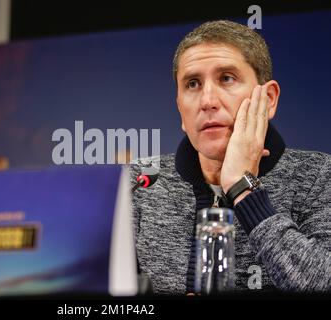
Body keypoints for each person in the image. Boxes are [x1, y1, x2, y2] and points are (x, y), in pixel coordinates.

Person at [130, 20, 331, 293]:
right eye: (192, 84)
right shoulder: (141, 179)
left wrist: (242, 187)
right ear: (180, 109)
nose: (207, 101)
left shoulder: (319, 176)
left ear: (269, 99)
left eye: (227, 78)